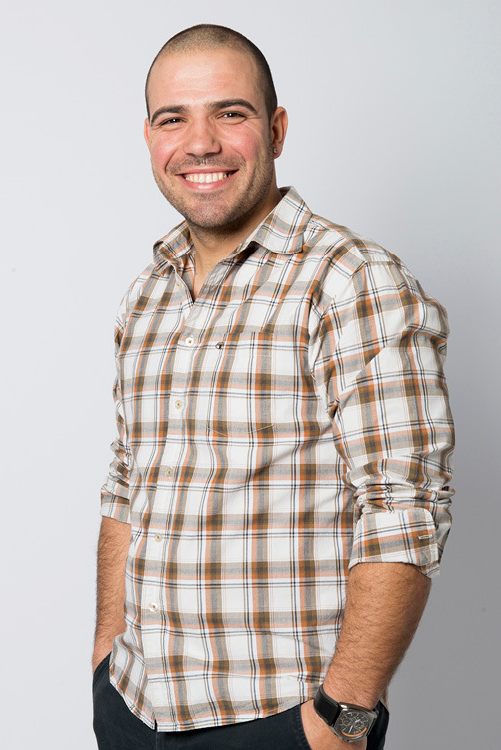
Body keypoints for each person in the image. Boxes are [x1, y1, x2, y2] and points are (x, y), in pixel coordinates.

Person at [91, 24, 454, 750]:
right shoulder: (147, 294)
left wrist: (342, 720)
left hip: (281, 722)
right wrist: (107, 657)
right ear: (149, 137)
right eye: (173, 119)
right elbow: (127, 483)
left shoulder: (352, 281)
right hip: (135, 708)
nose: (200, 143)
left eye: (230, 113)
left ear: (276, 129)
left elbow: (404, 509)